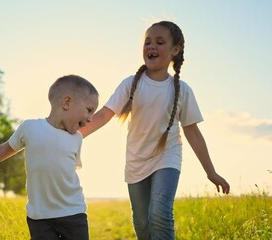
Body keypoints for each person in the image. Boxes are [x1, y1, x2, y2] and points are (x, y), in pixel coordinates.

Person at [79, 21, 230, 239]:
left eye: (160, 42)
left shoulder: (183, 90)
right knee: (142, 223)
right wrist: (75, 135)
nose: (152, 46)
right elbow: (104, 114)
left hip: (167, 157)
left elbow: (193, 132)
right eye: (147, 42)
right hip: (136, 159)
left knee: (159, 213)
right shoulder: (131, 84)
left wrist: (211, 172)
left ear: (174, 50)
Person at [0, 74, 99, 240]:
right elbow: (4, 149)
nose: (90, 119)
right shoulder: (30, 128)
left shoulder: (76, 139)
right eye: (89, 110)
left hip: (73, 214)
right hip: (39, 218)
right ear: (67, 102)